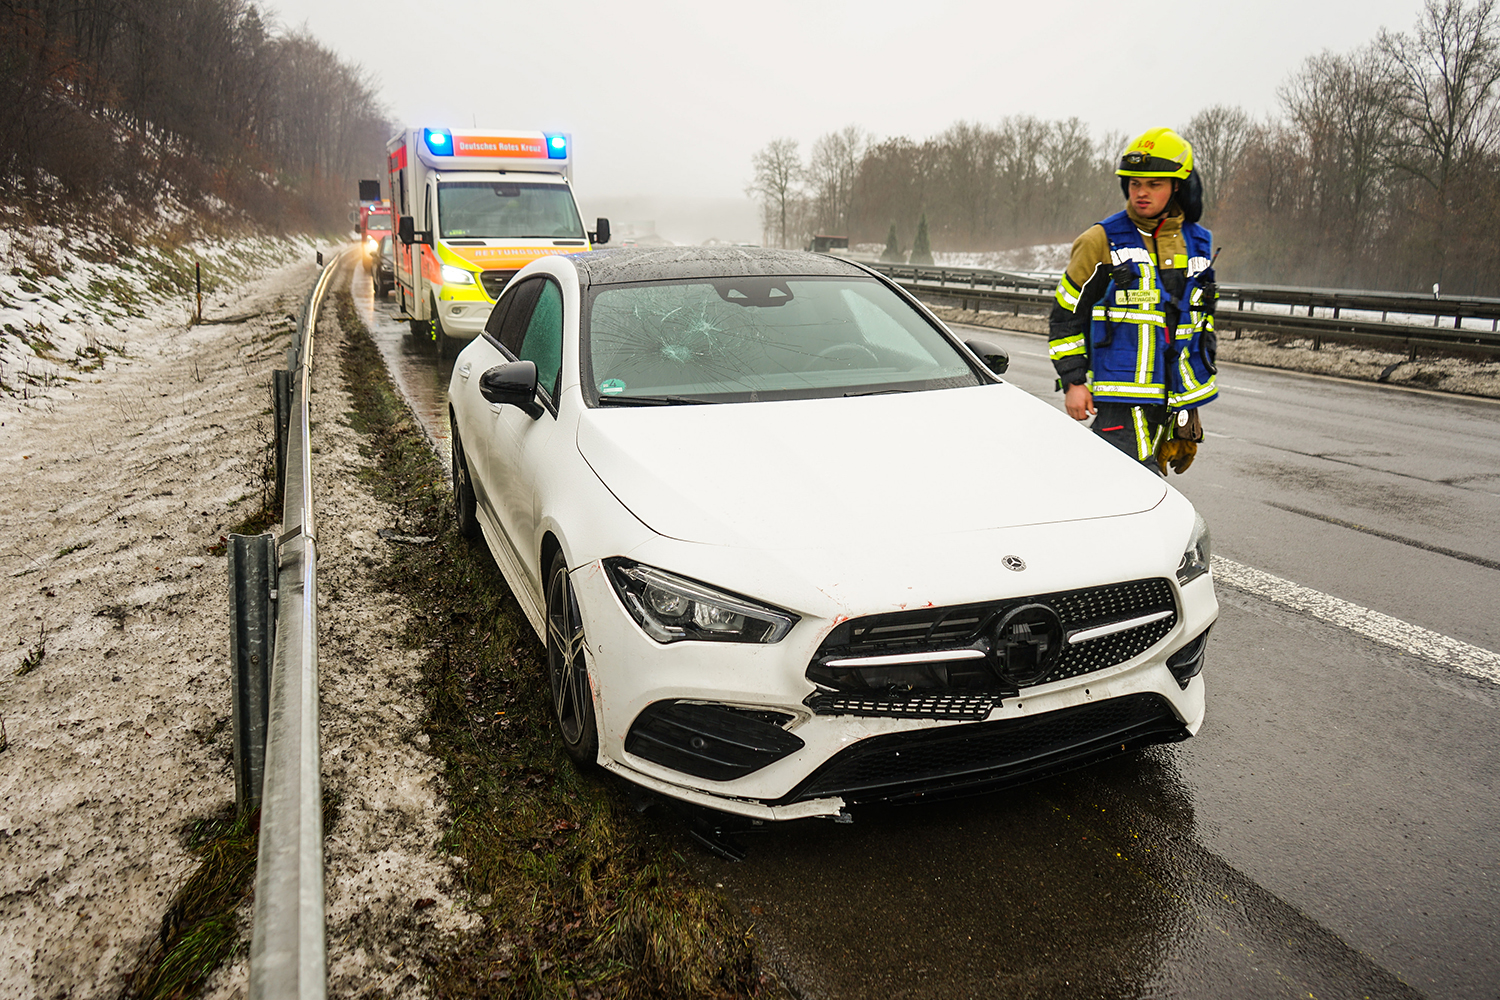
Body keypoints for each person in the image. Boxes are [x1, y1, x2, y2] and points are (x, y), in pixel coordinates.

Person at [1048, 127, 1219, 474]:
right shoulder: (1100, 240)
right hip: (1119, 400)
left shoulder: (1200, 243)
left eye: (1153, 184)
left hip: (1174, 400)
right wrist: (1074, 382)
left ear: (1177, 186)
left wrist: (1189, 408)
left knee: (1146, 498)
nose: (1141, 193)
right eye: (1134, 183)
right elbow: (1065, 315)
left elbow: (1201, 325)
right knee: (1125, 489)